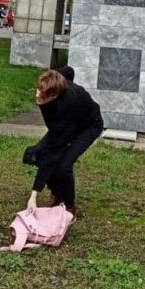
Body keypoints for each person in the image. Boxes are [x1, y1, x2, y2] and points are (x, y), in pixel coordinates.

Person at [23, 67, 104, 214]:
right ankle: (58, 194)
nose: (37, 95)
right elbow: (69, 70)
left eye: (43, 95)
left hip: (89, 126)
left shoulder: (63, 109)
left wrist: (33, 195)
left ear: (54, 96)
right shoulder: (55, 80)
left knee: (63, 166)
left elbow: (52, 155)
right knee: (36, 154)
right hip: (71, 122)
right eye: (38, 89)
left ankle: (69, 205)